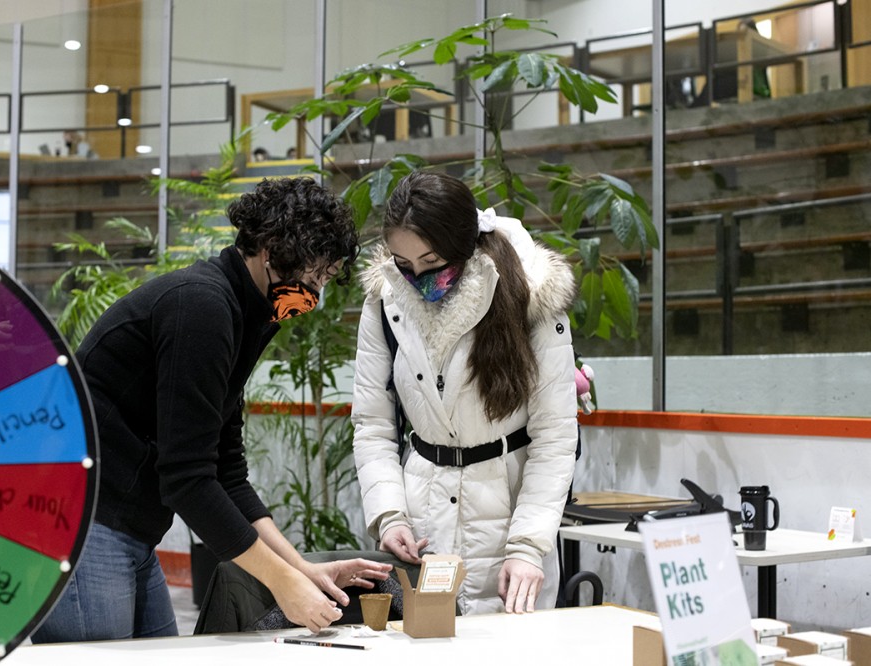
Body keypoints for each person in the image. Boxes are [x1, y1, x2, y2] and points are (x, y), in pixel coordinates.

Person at [32, 177, 391, 643]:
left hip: (129, 529)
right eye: (313, 275)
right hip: (84, 524)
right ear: (272, 249)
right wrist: (283, 584)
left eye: (323, 280)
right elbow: (187, 479)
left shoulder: (249, 314)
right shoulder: (201, 306)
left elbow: (226, 470)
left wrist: (301, 568)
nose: (314, 296)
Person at [350, 171, 579, 615]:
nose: (416, 277)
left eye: (432, 262)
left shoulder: (530, 297)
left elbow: (555, 437)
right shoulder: (385, 301)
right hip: (421, 522)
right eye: (403, 263)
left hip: (507, 519)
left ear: (466, 244)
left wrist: (528, 547)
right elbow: (373, 423)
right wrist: (388, 515)